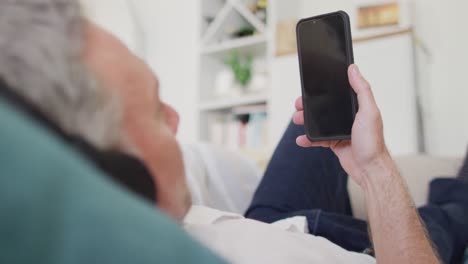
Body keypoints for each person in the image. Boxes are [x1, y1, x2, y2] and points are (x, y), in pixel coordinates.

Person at [1, 0, 467, 263]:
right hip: (336, 243)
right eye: (155, 108)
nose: (176, 119)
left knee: (312, 117)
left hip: (263, 219)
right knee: (449, 210)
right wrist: (375, 170)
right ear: (122, 172)